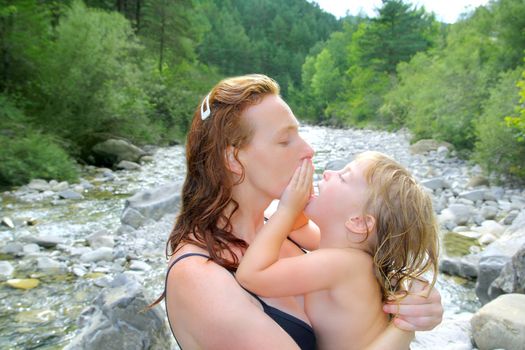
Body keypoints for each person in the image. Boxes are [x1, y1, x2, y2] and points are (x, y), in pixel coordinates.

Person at [154, 74, 443, 349]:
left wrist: (417, 302)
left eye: (300, 134)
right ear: (233, 158)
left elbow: (372, 253)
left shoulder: (291, 230)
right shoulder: (198, 278)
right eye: (284, 140)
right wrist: (403, 329)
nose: (309, 150)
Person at [236, 151, 439, 349]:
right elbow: (299, 228)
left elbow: (252, 276)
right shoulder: (351, 255)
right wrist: (295, 194)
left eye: (343, 177)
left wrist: (287, 209)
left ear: (358, 222)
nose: (327, 173)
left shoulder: (341, 264)